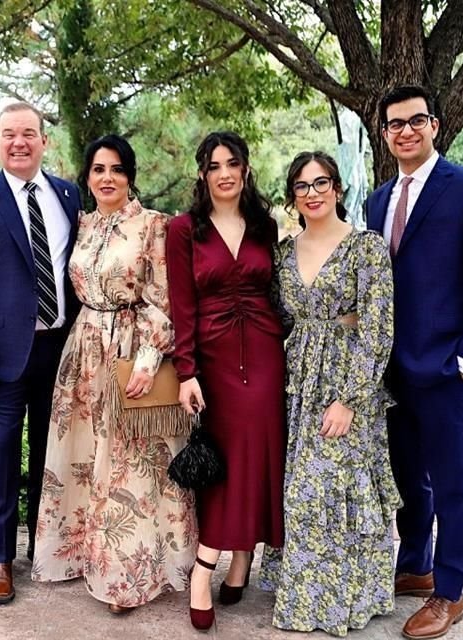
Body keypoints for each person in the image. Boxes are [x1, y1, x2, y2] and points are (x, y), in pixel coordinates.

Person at [365, 85, 463, 640]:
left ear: (435, 126)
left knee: (450, 483)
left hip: (444, 368)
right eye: (395, 124)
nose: (405, 131)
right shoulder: (378, 200)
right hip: (391, 370)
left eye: (415, 121)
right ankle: (416, 564)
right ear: (385, 134)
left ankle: (450, 592)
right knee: (406, 479)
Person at [32, 135, 196, 612]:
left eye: (117, 170)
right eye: (99, 170)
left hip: (131, 350)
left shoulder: (152, 226)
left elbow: (166, 300)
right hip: (83, 349)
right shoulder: (82, 225)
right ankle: (83, 556)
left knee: (129, 465)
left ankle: (127, 576)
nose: (108, 178)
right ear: (88, 177)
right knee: (85, 457)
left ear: (130, 176)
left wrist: (147, 362)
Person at [259, 151, 400, 636]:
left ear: (338, 189)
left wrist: (350, 399)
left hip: (345, 383)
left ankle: (342, 600)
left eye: (321, 183)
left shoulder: (366, 248)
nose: (312, 193)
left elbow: (379, 329)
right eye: (302, 186)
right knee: (298, 491)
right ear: (292, 196)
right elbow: (274, 318)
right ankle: (303, 596)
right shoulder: (282, 252)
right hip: (296, 381)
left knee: (332, 491)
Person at [0, 102, 81, 605]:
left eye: (29, 133)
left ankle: (44, 551)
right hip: (1, 361)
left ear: (44, 141)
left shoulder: (68, 196)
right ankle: (1, 560)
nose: (19, 142)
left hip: (60, 352)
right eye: (9, 134)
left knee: (54, 457)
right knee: (1, 457)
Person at [166, 131, 285, 632]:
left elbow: (280, 291)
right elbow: (181, 306)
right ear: (202, 174)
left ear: (246, 168)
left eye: (233, 163)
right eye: (214, 165)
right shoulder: (183, 230)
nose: (224, 173)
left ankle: (243, 563)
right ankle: (203, 572)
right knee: (225, 466)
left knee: (263, 458)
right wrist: (186, 371)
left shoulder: (265, 226)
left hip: (264, 353)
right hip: (212, 360)